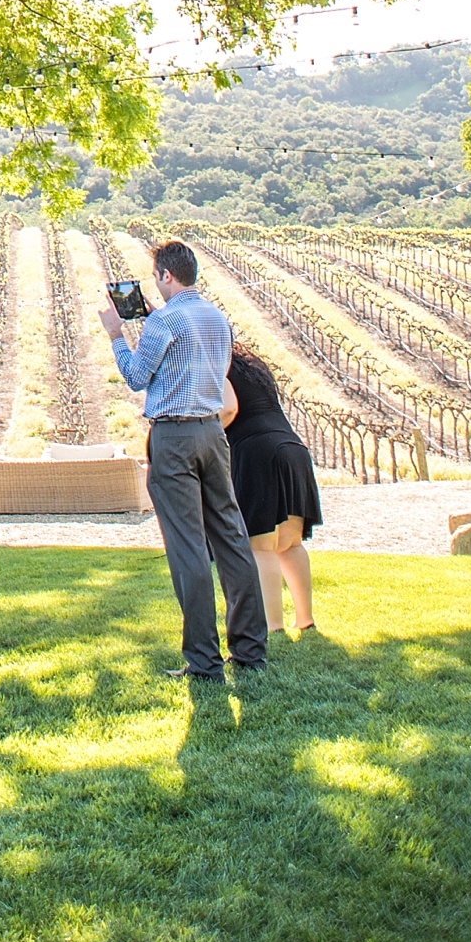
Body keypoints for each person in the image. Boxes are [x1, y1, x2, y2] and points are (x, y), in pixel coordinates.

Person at [99, 239, 268, 682]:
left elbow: (136, 377)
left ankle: (203, 659)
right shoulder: (217, 317)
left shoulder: (165, 322)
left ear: (166, 276)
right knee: (231, 536)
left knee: (188, 545)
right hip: (213, 432)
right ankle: (250, 649)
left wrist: (117, 335)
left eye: (157, 276)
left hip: (173, 436)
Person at [220, 343, 322, 635]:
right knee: (290, 544)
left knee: (260, 546)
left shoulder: (216, 363)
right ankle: (305, 618)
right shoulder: (252, 366)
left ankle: (273, 626)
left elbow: (229, 410)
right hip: (291, 448)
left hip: (256, 452)